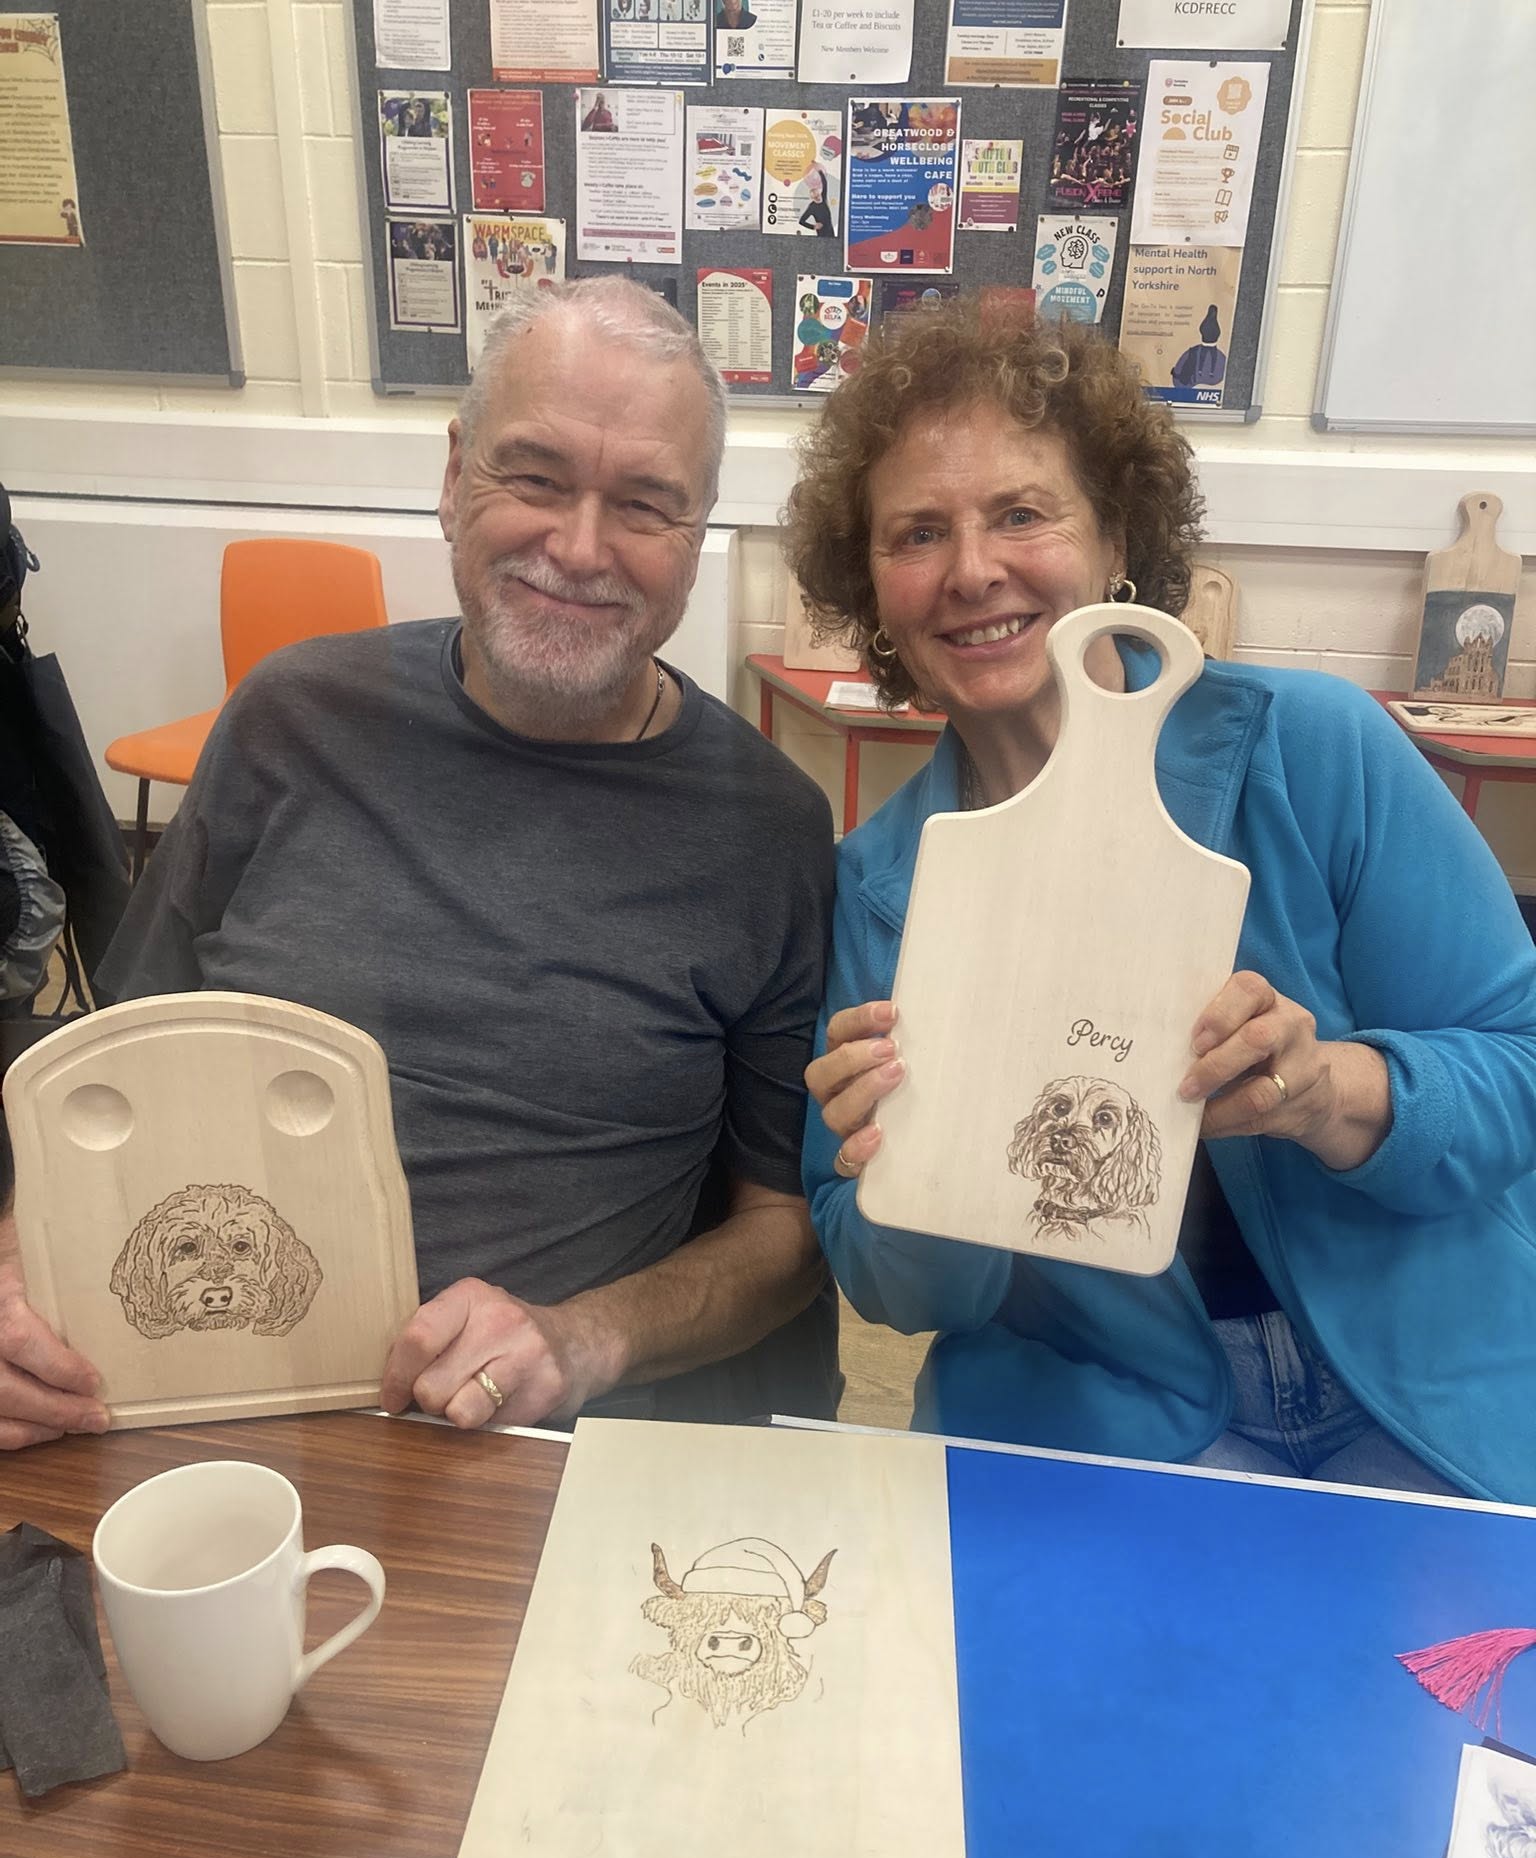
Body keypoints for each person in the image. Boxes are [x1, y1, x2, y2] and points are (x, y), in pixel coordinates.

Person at [0, 278, 838, 1452]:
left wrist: (581, 1338)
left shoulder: (770, 828)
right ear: (454, 477)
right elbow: (104, 1079)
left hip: (530, 1458)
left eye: (646, 504)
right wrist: (18, 1270)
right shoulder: (291, 719)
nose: (578, 547)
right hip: (207, 1403)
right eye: (533, 476)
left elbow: (788, 1235)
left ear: (696, 540)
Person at [787, 295, 1536, 1503]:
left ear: (1116, 539)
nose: (972, 570)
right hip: (1108, 1420)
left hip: (1425, 1383)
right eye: (917, 533)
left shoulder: (1316, 750)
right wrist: (910, 1173)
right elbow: (890, 1288)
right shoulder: (884, 885)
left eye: (1021, 513)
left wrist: (1331, 1091)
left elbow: (1520, 1061)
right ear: (875, 592)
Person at [797, 166, 835, 238]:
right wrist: (813, 226)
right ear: (812, 198)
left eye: (818, 195)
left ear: (819, 193)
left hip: (831, 231)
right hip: (822, 234)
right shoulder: (812, 207)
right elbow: (801, 221)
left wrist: (819, 171)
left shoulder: (823, 197)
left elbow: (825, 183)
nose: (817, 197)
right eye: (815, 197)